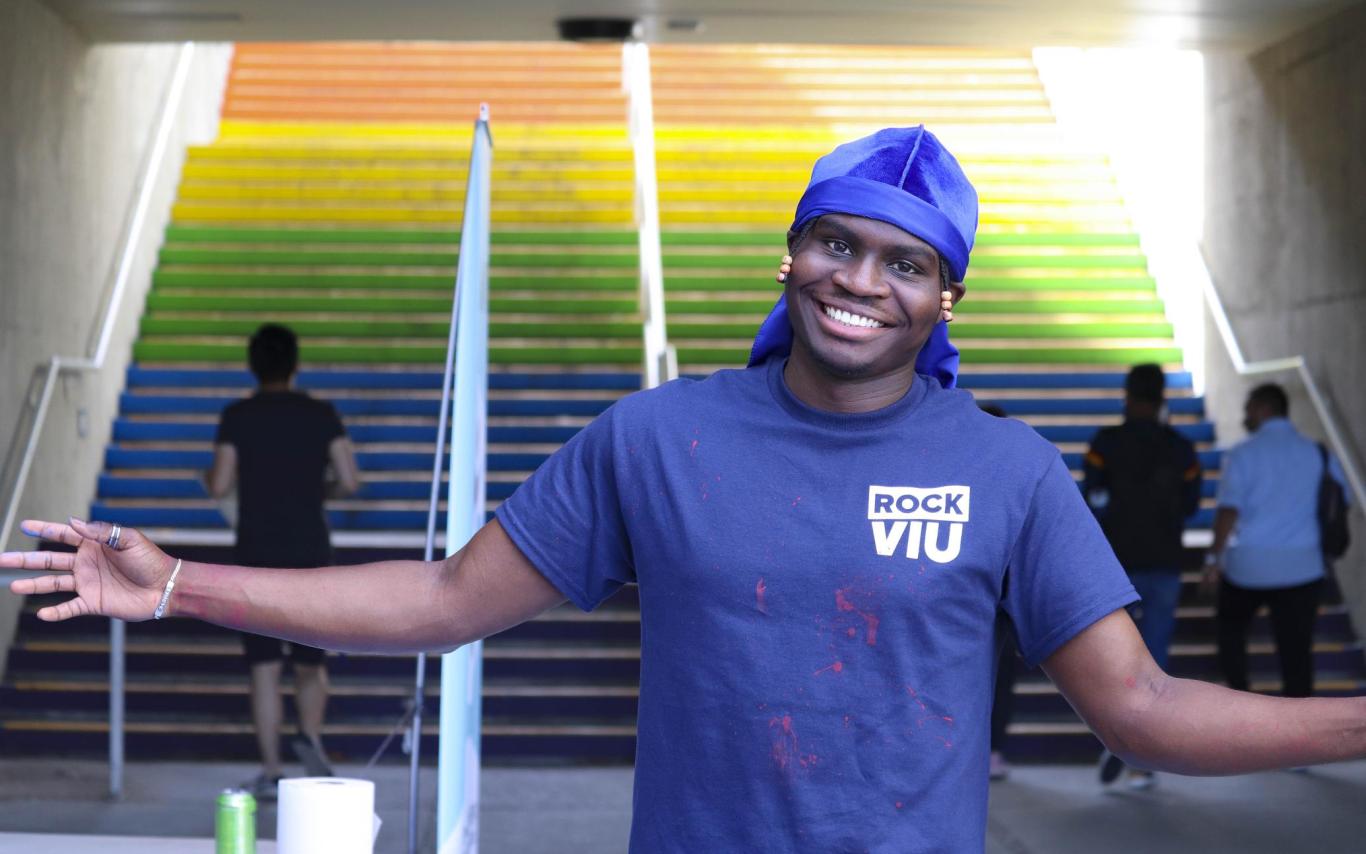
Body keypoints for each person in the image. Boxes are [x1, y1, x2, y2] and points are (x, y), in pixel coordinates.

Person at [9, 127, 1366, 854]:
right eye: (832, 243)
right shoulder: (656, 438)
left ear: (944, 297)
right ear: (790, 258)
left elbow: (1140, 705)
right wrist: (180, 580)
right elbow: (439, 598)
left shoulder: (1003, 467)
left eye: (902, 262)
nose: (858, 279)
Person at [205, 323, 360, 798]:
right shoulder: (320, 414)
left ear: (253, 366)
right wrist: (321, 490)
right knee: (312, 661)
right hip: (309, 547)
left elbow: (219, 484)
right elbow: (350, 480)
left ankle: (272, 771)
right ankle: (309, 740)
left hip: (256, 552)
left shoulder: (237, 416)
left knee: (264, 666)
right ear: (295, 364)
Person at [1083, 363, 1201, 789]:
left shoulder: (1105, 445)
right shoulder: (1182, 449)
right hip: (1166, 563)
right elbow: (1190, 505)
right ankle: (1142, 757)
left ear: (1127, 395)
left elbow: (1091, 501)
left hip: (1115, 567)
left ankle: (1117, 735)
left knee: (1112, 659)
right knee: (1156, 662)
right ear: (1163, 398)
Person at [1204, 383, 1349, 704]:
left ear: (1264, 408)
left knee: (1231, 634)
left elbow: (1229, 511)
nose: (1245, 415)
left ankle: (1241, 704)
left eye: (1249, 408)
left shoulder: (1243, 453)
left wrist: (1213, 559)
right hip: (1303, 568)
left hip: (1248, 568)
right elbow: (1342, 499)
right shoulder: (1317, 452)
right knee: (1296, 652)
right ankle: (1299, 733)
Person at [978, 403, 1018, 782]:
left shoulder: (1017, 485)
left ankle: (990, 750)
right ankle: (992, 750)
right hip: (991, 612)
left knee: (999, 678)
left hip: (998, 611)